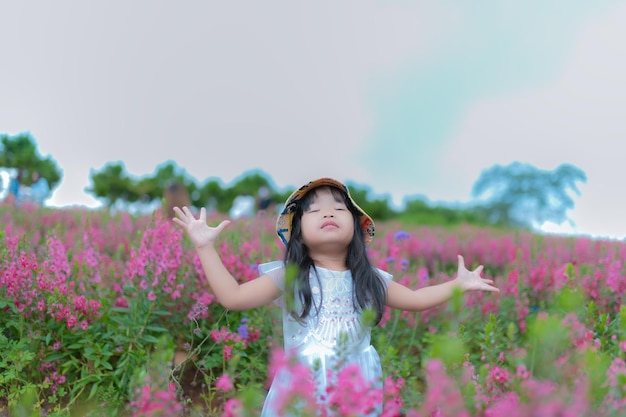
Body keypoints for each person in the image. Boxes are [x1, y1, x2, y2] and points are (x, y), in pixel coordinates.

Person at [173, 177, 499, 416]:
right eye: (314, 211)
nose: (328, 214)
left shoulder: (369, 279)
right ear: (298, 231)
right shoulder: (291, 276)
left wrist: (457, 285)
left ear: (356, 228)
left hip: (356, 385)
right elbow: (233, 297)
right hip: (304, 390)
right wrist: (205, 246)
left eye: (339, 208)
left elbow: (414, 299)